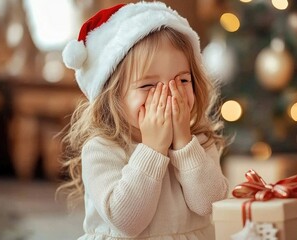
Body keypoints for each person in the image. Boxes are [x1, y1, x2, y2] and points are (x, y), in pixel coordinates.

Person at [59, 1, 229, 239]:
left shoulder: (199, 142)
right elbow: (126, 221)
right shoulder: (101, 150)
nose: (168, 95)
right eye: (148, 85)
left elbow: (210, 205)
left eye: (181, 81)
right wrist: (153, 149)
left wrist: (184, 144)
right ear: (113, 96)